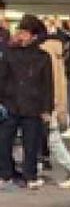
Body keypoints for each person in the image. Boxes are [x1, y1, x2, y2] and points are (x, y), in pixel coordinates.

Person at [0, 16, 55, 190]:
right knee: (4, 141)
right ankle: (5, 173)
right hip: (10, 104)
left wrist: (47, 109)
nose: (20, 35)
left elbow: (48, 85)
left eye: (25, 33)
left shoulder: (43, 57)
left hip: (33, 106)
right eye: (20, 31)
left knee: (31, 144)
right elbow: (2, 78)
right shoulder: (9, 53)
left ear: (33, 36)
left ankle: (30, 175)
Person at [38, 30, 70, 187]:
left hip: (46, 105)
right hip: (52, 105)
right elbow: (59, 86)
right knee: (49, 140)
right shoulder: (57, 57)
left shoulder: (48, 56)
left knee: (52, 141)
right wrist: (61, 109)